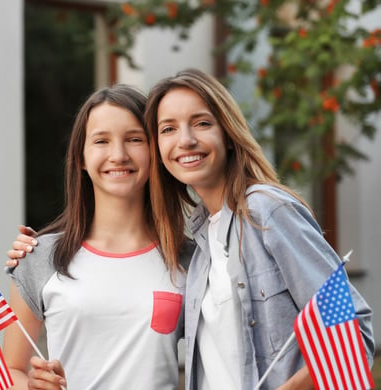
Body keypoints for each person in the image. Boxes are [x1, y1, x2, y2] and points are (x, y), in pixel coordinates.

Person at [144, 68, 373, 389]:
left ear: (228, 133)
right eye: (168, 129)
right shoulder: (198, 247)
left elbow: (352, 335)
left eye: (202, 123)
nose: (186, 139)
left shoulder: (266, 210)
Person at [3, 85, 189, 389]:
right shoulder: (39, 257)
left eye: (134, 139)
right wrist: (32, 386)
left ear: (155, 151)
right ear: (81, 158)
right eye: (101, 141)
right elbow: (10, 369)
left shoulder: (188, 260)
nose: (118, 155)